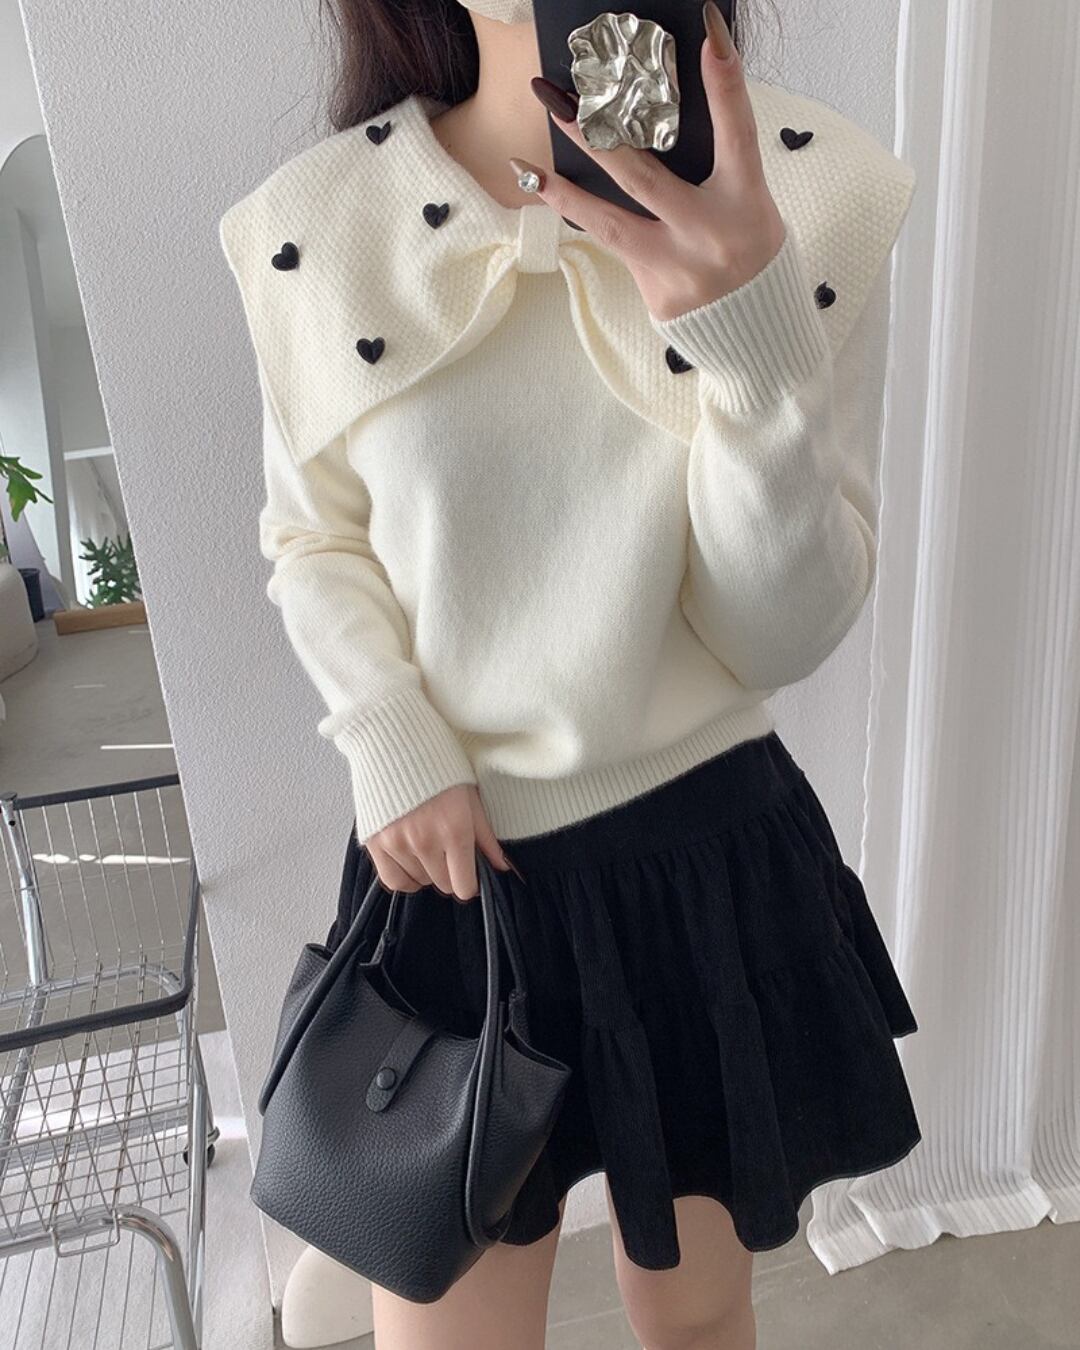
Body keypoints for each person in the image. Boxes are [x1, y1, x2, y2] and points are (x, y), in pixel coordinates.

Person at [219, 0, 923, 1345]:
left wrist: (755, 347)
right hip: (456, 870)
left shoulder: (807, 193)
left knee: (698, 1321)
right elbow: (314, 537)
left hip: (707, 861)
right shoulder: (321, 223)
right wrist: (389, 737)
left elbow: (777, 635)